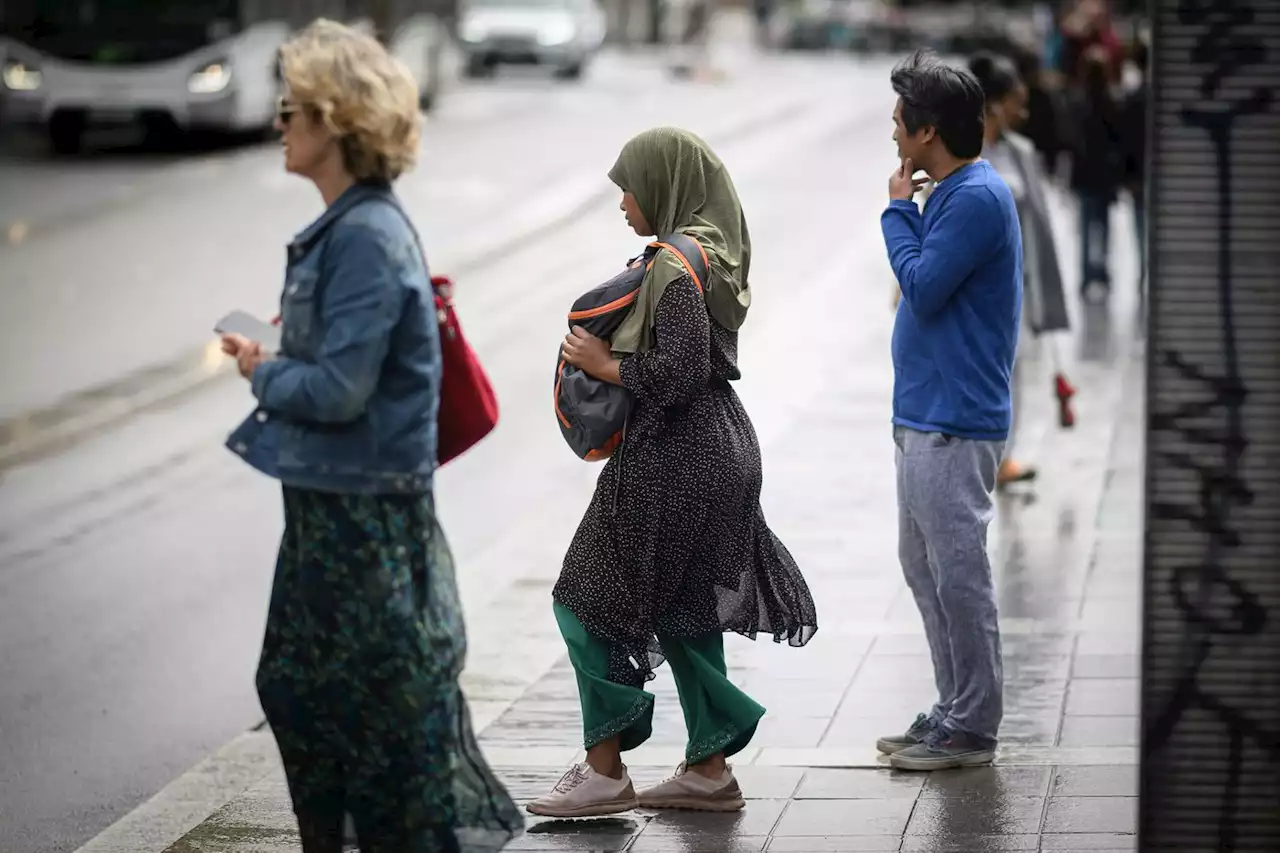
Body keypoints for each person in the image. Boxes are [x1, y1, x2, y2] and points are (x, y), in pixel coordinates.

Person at [220, 20, 522, 852]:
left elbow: (341, 389)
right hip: (336, 504)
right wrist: (280, 356)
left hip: (362, 519)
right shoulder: (352, 228)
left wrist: (262, 372)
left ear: (336, 121)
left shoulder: (362, 236)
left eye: (293, 110)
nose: (279, 122)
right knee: (320, 697)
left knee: (367, 714)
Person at [528, 127, 818, 817]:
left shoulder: (671, 267)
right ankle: (710, 769)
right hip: (721, 448)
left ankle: (604, 767)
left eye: (629, 187)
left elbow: (679, 372)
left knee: (583, 595)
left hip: (676, 456)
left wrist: (605, 367)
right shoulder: (711, 253)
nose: (624, 203)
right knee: (686, 609)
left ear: (662, 185)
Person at [877, 49, 1020, 771]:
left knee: (958, 569)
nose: (895, 136)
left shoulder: (975, 199)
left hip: (954, 418)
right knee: (923, 563)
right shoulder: (957, 192)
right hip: (925, 412)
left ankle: (974, 723)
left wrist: (899, 210)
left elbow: (924, 287)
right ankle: (953, 705)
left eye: (901, 124)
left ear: (929, 132)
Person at [968, 53, 1074, 489]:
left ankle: (1001, 457)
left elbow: (1040, 226)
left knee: (1013, 372)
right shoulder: (961, 152)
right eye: (1017, 101)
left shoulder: (1021, 152)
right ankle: (973, 455)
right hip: (970, 287)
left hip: (1015, 285)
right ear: (994, 104)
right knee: (973, 375)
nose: (1024, 112)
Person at [1067, 48, 1124, 300]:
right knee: (1104, 226)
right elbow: (1119, 140)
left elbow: (1071, 141)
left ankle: (1086, 275)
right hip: (1104, 175)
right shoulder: (1112, 102)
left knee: (1086, 225)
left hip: (1085, 176)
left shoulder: (1078, 103)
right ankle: (1102, 273)